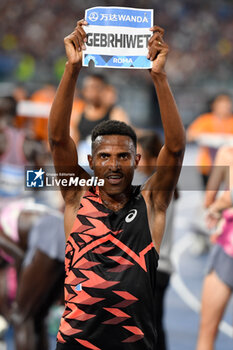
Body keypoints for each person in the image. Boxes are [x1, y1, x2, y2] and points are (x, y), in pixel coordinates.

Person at [48, 19, 185, 350]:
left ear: (137, 161)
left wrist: (159, 77)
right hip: (77, 343)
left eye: (123, 157)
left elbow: (176, 148)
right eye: (105, 156)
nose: (113, 164)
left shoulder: (152, 202)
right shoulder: (76, 196)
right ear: (92, 162)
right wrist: (72, 69)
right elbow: (57, 139)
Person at [0, 200, 66, 350]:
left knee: (20, 316)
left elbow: (19, 257)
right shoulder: (10, 213)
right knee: (37, 316)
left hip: (49, 235)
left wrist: (19, 294)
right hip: (64, 233)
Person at [135, 132, 178, 350]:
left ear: (154, 158)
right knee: (153, 326)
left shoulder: (155, 189)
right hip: (162, 267)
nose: (136, 162)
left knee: (146, 329)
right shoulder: (162, 187)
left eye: (140, 156)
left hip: (151, 267)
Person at [196, 146, 233, 350]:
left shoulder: (226, 155)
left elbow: (211, 200)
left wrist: (216, 208)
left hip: (227, 247)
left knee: (207, 334)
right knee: (207, 332)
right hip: (227, 246)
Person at [187, 94, 233, 188]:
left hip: (229, 167)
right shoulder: (205, 120)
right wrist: (207, 138)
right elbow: (189, 135)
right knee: (209, 197)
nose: (225, 107)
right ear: (214, 105)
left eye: (227, 104)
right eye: (222, 104)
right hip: (208, 167)